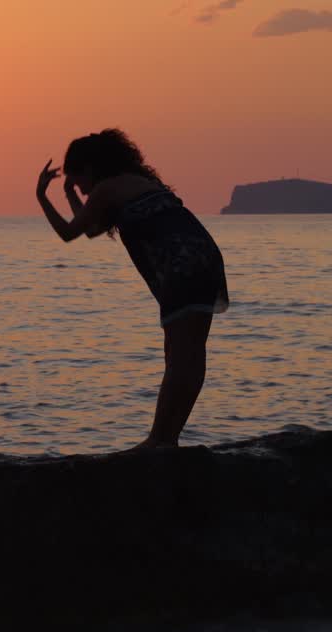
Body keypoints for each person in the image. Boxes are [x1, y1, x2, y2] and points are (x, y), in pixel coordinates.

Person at [36, 128, 229, 450]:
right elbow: (93, 228)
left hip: (180, 265)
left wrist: (42, 197)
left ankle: (160, 440)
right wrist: (70, 194)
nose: (81, 190)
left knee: (182, 356)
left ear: (92, 168)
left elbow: (71, 233)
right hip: (201, 258)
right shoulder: (133, 182)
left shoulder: (108, 188)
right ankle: (167, 437)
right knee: (185, 353)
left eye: (79, 180)